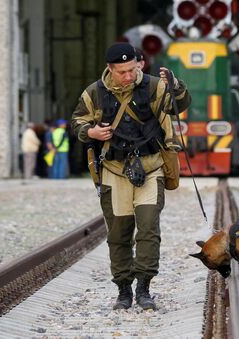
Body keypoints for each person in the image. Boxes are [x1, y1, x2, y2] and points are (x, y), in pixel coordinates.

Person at [71, 42, 191, 311]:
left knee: (148, 229)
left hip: (151, 167)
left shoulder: (153, 86)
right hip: (114, 171)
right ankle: (123, 289)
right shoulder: (94, 93)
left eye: (132, 69)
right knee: (118, 234)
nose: (128, 76)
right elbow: (77, 121)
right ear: (110, 69)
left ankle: (144, 287)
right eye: (122, 71)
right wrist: (90, 133)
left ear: (138, 64)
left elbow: (179, 105)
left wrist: (176, 84)